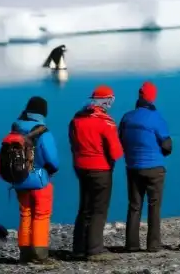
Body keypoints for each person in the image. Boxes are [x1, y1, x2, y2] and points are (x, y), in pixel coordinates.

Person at [69, 85, 124, 261]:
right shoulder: (106, 122)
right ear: (106, 100)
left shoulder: (76, 119)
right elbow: (116, 151)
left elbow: (73, 144)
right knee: (99, 209)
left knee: (84, 207)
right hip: (100, 168)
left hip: (81, 167)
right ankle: (94, 249)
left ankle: (78, 248)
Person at [5, 96, 60, 266]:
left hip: (19, 180)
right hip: (39, 180)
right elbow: (52, 159)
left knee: (25, 214)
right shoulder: (42, 131)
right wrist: (52, 170)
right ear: (43, 112)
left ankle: (25, 253)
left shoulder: (15, 129)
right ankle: (40, 254)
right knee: (41, 216)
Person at [119, 81, 172, 252]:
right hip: (154, 167)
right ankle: (153, 244)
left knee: (134, 205)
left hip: (133, 166)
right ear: (152, 97)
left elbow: (120, 140)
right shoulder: (156, 118)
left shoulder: (127, 117)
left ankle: (132, 244)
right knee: (154, 205)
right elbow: (167, 146)